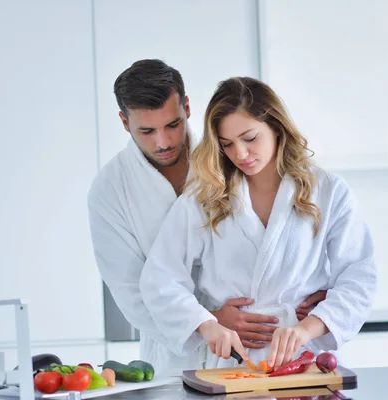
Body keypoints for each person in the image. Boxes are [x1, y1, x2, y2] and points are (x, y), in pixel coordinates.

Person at [87, 60, 326, 375]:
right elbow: (131, 290)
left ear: (186, 107)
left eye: (173, 124)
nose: (164, 142)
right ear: (124, 121)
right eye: (146, 130)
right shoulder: (110, 189)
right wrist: (206, 321)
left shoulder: (228, 155)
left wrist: (318, 290)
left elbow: (281, 234)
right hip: (173, 355)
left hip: (262, 342)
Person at [139, 76, 377, 372]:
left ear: (276, 127)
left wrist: (308, 329)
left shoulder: (328, 191)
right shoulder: (205, 198)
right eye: (227, 144)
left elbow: (359, 276)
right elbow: (160, 278)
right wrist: (206, 324)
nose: (240, 154)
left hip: (306, 358)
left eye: (250, 139)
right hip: (233, 360)